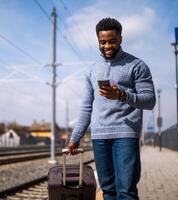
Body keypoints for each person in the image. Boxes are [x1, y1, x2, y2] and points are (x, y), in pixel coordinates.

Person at [68, 18, 156, 200]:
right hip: (99, 136)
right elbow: (86, 107)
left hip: (125, 135)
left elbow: (149, 101)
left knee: (126, 191)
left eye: (112, 41)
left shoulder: (137, 66)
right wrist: (75, 137)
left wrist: (123, 95)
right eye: (102, 42)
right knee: (108, 191)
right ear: (98, 41)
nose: (107, 46)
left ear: (121, 39)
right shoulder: (91, 70)